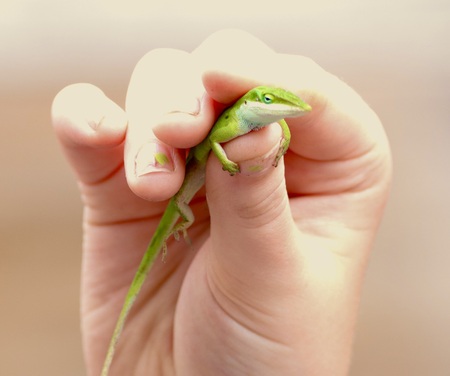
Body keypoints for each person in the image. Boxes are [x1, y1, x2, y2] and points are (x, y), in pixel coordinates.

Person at [51, 30, 392, 376]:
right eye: (274, 102)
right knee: (174, 193)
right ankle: (177, 233)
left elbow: (284, 127)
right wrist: (227, 165)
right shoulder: (237, 121)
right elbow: (215, 146)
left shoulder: (270, 123)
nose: (286, 112)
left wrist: (283, 143)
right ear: (254, 102)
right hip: (186, 187)